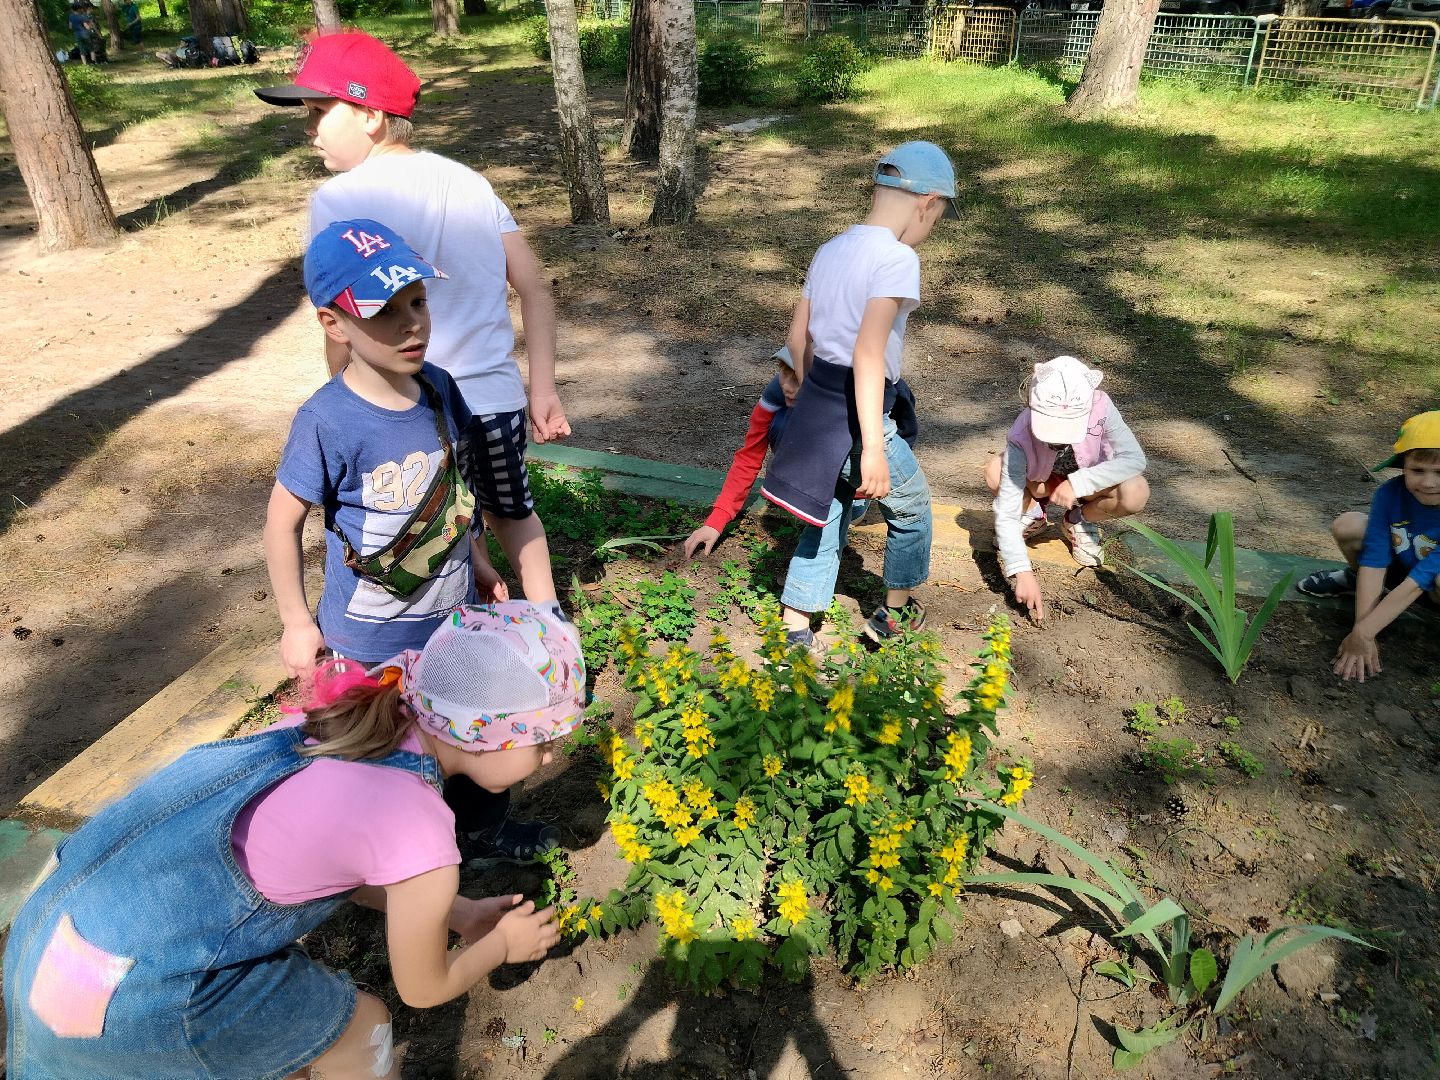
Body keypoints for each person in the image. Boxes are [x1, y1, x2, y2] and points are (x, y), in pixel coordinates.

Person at [4, 601, 582, 1080]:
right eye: (544, 741)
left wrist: (455, 914)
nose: (551, 756)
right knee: (363, 1030)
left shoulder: (353, 723)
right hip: (136, 993)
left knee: (288, 1048)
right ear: (490, 739)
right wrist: (501, 945)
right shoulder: (422, 828)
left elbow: (334, 862)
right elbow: (424, 988)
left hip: (55, 932)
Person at [264, 219, 552, 865]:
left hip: (451, 625)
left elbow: (456, 490)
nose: (411, 324)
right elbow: (282, 523)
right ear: (333, 323)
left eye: (417, 302)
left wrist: (475, 554)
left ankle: (480, 832)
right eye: (385, 312)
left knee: (472, 732)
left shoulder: (441, 390)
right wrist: (293, 622)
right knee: (386, 759)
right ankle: (398, 862)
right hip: (368, 642)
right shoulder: (326, 420)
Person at [255, 32, 569, 611]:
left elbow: (346, 319)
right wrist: (542, 389)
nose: (311, 129)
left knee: (425, 531)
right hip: (496, 399)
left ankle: (438, 653)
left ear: (370, 114)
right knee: (512, 516)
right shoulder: (469, 182)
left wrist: (338, 398)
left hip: (410, 413)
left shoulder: (337, 199)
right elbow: (534, 285)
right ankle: (551, 637)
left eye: (321, 112)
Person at [759, 141, 954, 651]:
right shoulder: (897, 259)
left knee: (830, 512)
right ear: (926, 203)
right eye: (935, 220)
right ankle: (897, 613)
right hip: (861, 415)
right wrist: (872, 447)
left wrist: (805, 395)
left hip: (819, 409)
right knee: (911, 509)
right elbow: (869, 355)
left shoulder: (832, 249)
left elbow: (799, 336)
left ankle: (795, 622)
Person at [683, 347, 919, 560]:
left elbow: (903, 426)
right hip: (815, 452)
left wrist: (871, 480)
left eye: (797, 379)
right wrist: (715, 522)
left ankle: (856, 496)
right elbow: (748, 458)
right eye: (784, 373)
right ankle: (807, 487)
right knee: (784, 424)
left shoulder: (857, 394)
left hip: (854, 454)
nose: (787, 384)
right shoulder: (775, 395)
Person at [983, 355, 1149, 623]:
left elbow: (1134, 459)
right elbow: (1004, 508)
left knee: (1135, 491)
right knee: (995, 471)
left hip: (1088, 483)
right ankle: (1033, 514)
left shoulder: (1101, 408)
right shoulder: (1021, 432)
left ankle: (1078, 521)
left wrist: (1078, 484)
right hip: (1039, 483)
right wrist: (1022, 572)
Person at [1296, 410, 1440, 682]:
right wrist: (1362, 628)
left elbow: (1422, 578)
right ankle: (1356, 581)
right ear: (1403, 466)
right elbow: (1374, 558)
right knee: (1348, 525)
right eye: (1418, 470)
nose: (1429, 482)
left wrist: (1363, 634)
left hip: (1432, 590)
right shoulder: (1389, 494)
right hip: (1404, 572)